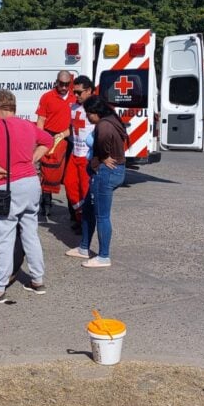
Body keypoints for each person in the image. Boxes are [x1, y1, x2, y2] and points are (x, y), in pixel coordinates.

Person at [0, 90, 52, 302]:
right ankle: (37, 280)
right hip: (31, 184)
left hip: (7, 186)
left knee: (3, 236)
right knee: (30, 233)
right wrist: (33, 159)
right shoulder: (28, 125)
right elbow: (47, 140)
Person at [66, 96, 127, 268]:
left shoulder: (104, 126)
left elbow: (101, 149)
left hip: (105, 173)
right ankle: (84, 247)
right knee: (88, 210)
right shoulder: (111, 119)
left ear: (96, 112)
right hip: (107, 171)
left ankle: (103, 256)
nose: (87, 117)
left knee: (102, 216)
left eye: (88, 114)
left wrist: (102, 159)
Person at [35, 70, 73, 220]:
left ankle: (73, 211)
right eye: (61, 84)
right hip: (50, 137)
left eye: (66, 84)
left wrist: (65, 134)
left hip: (68, 138)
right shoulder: (47, 97)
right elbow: (41, 121)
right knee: (47, 172)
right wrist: (41, 139)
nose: (64, 87)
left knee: (69, 175)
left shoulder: (74, 97)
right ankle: (46, 205)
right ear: (56, 82)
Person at [64, 75, 97, 233]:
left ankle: (87, 223)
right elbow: (72, 129)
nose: (75, 95)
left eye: (79, 92)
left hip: (87, 156)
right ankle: (80, 216)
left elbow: (106, 128)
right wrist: (60, 135)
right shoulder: (73, 107)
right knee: (70, 185)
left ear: (89, 90)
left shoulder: (96, 106)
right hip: (75, 153)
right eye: (74, 92)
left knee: (85, 190)